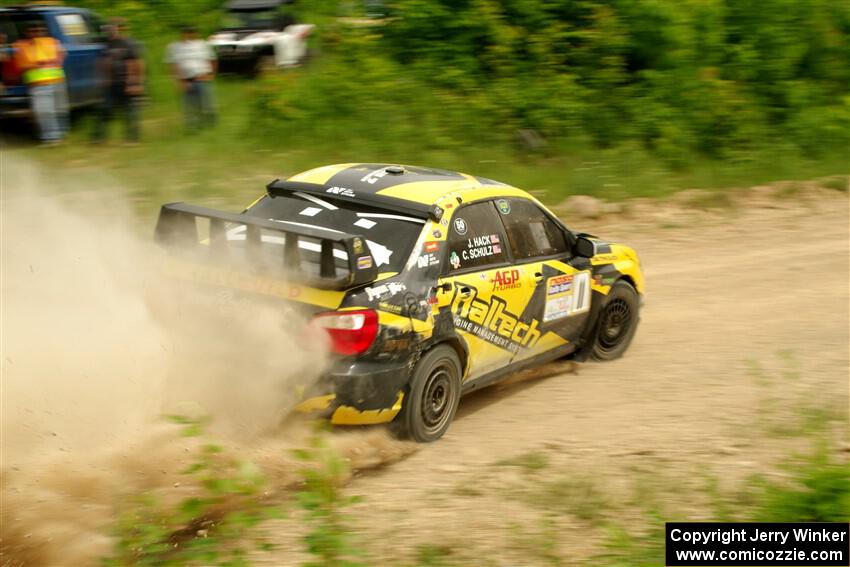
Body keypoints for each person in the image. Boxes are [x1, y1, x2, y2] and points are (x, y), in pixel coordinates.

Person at [12, 22, 68, 144]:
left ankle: (63, 133)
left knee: (60, 110)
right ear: (26, 32)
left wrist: (54, 62)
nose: (37, 32)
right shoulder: (21, 46)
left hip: (58, 80)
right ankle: (52, 138)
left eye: (39, 30)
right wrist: (37, 64)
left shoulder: (52, 41)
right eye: (33, 30)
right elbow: (20, 64)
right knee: (44, 112)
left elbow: (63, 54)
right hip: (38, 84)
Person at [92, 18, 144, 143]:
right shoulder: (108, 44)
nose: (110, 31)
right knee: (105, 109)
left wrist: (135, 83)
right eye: (108, 29)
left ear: (118, 29)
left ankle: (132, 138)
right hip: (111, 84)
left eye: (112, 28)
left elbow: (137, 63)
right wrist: (102, 79)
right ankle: (99, 137)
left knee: (129, 111)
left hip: (127, 82)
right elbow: (103, 62)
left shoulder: (128, 43)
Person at [166, 25, 216, 131]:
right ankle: (192, 128)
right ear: (182, 34)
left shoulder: (203, 45)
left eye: (192, 32)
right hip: (186, 81)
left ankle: (210, 127)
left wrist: (211, 74)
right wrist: (178, 81)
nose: (190, 35)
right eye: (187, 32)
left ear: (196, 33)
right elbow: (173, 65)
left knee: (207, 105)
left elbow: (212, 59)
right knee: (189, 107)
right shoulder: (174, 47)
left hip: (202, 79)